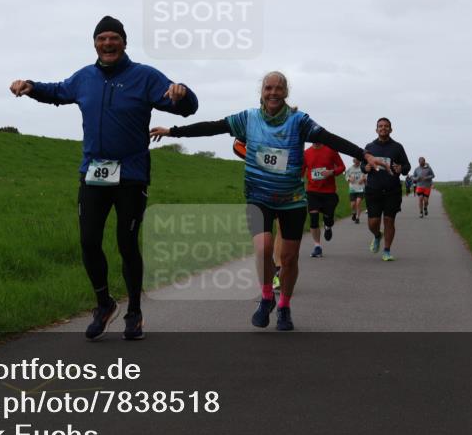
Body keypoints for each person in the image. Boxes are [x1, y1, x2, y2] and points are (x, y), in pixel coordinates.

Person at [10, 15, 198, 341]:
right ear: (95, 43)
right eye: (102, 38)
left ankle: (134, 311)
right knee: (88, 241)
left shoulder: (145, 76)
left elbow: (184, 106)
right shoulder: (85, 77)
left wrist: (184, 94)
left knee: (127, 243)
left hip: (131, 175)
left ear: (124, 42)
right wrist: (31, 87)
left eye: (114, 38)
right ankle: (104, 304)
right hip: (94, 173)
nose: (107, 43)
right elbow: (58, 91)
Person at [151, 72, 385, 331]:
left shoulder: (299, 121)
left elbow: (330, 138)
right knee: (263, 247)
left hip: (292, 199)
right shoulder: (248, 119)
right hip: (258, 196)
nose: (273, 93)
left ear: (286, 92)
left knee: (289, 258)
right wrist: (173, 131)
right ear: (261, 92)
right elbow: (213, 127)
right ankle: (266, 297)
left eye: (278, 88)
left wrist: (364, 154)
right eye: (268, 88)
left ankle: (284, 306)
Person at [360, 117, 411, 262]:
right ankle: (377, 235)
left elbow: (407, 166)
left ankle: (387, 251)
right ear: (376, 129)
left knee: (389, 220)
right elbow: (363, 165)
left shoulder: (397, 147)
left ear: (391, 129)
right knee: (373, 222)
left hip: (392, 190)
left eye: (386, 126)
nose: (383, 128)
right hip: (373, 189)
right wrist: (366, 167)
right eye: (380, 126)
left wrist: (401, 168)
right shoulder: (369, 147)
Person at [235, 138, 282, 288]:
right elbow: (237, 145)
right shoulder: (252, 125)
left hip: (284, 186)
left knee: (281, 227)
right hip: (258, 188)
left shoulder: (292, 126)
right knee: (263, 242)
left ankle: (278, 270)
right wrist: (257, 160)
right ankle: (271, 269)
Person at [302, 143, 346, 257]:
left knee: (328, 218)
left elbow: (342, 167)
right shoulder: (306, 153)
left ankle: (328, 225)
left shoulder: (331, 150)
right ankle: (317, 246)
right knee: (314, 218)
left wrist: (332, 172)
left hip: (329, 192)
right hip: (312, 191)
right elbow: (301, 172)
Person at [345, 157, 367, 224]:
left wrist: (363, 179)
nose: (358, 162)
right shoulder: (350, 169)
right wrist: (349, 179)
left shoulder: (363, 168)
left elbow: (366, 176)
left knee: (358, 202)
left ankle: (357, 218)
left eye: (359, 161)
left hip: (361, 188)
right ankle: (354, 213)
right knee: (353, 204)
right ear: (354, 161)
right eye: (356, 161)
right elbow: (346, 176)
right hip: (353, 188)